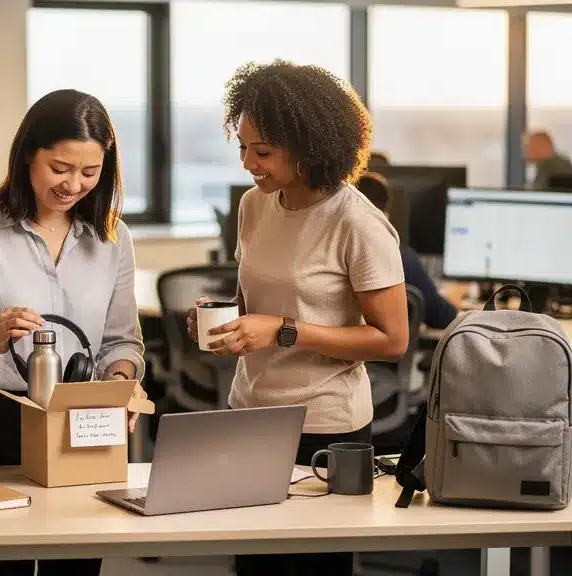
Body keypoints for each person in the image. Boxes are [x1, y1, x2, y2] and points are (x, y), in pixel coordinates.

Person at [186, 60, 409, 576]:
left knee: (311, 567)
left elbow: (392, 339)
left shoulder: (357, 223)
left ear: (309, 147)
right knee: (254, 563)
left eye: (261, 151)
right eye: (241, 146)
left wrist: (285, 330)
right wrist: (225, 321)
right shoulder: (254, 206)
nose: (247, 162)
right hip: (250, 410)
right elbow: (254, 301)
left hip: (325, 424)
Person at [0, 88, 147, 576]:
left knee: (78, 567)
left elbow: (121, 341)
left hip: (82, 420)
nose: (73, 185)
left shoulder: (112, 238)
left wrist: (122, 382)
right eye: (60, 169)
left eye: (90, 172)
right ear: (28, 154)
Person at [356, 172, 460, 329]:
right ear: (384, 215)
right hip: (387, 351)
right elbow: (443, 318)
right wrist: (458, 293)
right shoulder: (401, 258)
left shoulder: (331, 255)